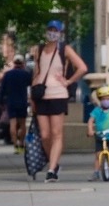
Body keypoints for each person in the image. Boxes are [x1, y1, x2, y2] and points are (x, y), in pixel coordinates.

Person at [32, 20, 88, 181]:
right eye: (50, 29)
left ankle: (51, 170)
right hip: (40, 94)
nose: (52, 33)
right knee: (44, 135)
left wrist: (68, 81)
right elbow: (36, 73)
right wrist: (32, 97)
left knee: (56, 133)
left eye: (55, 30)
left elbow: (83, 68)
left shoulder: (65, 49)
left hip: (58, 94)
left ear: (61, 33)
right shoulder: (39, 50)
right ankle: (54, 163)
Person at [86, 85, 109, 180]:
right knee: (98, 155)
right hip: (99, 136)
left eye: (108, 98)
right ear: (99, 99)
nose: (105, 101)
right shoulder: (97, 111)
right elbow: (90, 120)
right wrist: (90, 130)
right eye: (103, 99)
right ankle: (96, 172)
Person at [0, 56, 33, 153]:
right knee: (22, 124)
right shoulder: (26, 74)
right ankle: (22, 144)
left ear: (14, 63)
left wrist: (1, 102)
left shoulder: (7, 75)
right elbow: (31, 85)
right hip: (22, 101)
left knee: (12, 124)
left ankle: (15, 146)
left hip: (11, 102)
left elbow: (2, 90)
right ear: (23, 64)